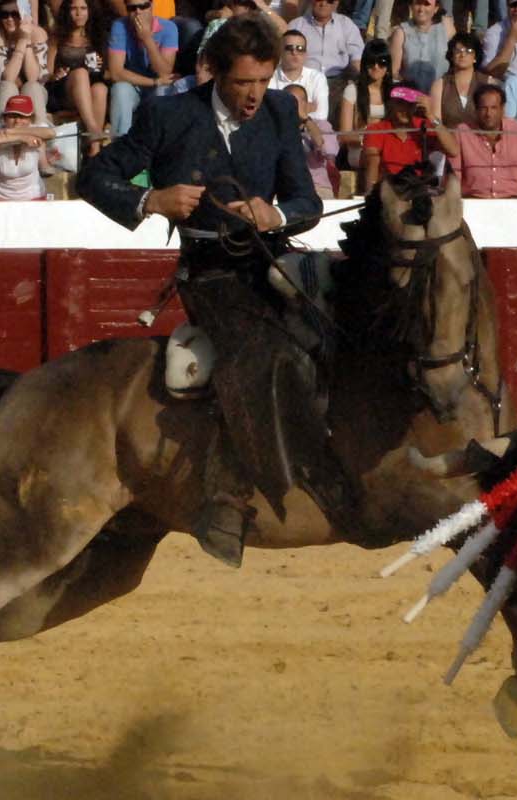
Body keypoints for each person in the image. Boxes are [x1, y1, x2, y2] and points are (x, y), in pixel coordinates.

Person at [79, 14, 350, 568]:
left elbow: (308, 201)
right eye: (242, 83)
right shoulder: (170, 115)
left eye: (263, 81)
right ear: (214, 74)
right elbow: (94, 176)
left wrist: (277, 214)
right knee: (256, 350)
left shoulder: (279, 111)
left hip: (273, 260)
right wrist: (149, 201)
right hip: (211, 271)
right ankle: (225, 494)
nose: (253, 95)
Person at [451, 82, 517, 196]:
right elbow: (454, 176)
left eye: (494, 108)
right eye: (483, 108)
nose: (488, 114)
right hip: (474, 203)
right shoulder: (462, 132)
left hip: (514, 204)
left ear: (503, 109)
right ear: (476, 110)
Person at [107, 0, 180, 137]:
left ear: (151, 6)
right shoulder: (119, 26)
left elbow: (164, 71)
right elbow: (116, 73)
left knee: (163, 91)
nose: (138, 11)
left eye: (143, 6)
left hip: (157, 86)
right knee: (120, 89)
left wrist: (147, 40)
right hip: (133, 84)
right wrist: (154, 82)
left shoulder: (169, 28)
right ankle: (121, 145)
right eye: (132, 8)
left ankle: (158, 145)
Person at [363, 84, 459, 186]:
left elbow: (453, 150)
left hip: (417, 188)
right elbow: (372, 162)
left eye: (410, 104)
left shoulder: (423, 126)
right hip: (389, 188)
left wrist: (431, 116)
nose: (405, 109)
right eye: (400, 103)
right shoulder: (377, 129)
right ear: (391, 104)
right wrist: (372, 196)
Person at [47, 0, 109, 156]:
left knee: (100, 89)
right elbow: (47, 72)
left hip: (91, 89)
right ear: (67, 12)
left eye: (83, 8)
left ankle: (94, 151)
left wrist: (101, 69)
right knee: (80, 73)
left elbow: (108, 72)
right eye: (73, 8)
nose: (78, 13)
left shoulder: (98, 37)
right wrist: (54, 75)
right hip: (64, 89)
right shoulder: (57, 37)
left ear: (89, 11)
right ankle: (93, 128)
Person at [0, 93, 54, 199]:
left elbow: (50, 133)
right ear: (4, 118)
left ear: (31, 118)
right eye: (12, 116)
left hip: (33, 196)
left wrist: (12, 131)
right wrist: (21, 138)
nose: (17, 121)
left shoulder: (36, 129)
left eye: (22, 117)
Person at [287, 0, 362, 105]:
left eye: (329, 0)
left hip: (338, 83)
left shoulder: (346, 25)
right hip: (305, 82)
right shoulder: (296, 25)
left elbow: (357, 60)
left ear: (336, 2)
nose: (323, 3)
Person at [0, 0, 50, 122]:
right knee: (8, 87)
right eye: (5, 15)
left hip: (34, 92)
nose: (10, 19)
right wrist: (22, 41)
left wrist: (26, 38)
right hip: (5, 93)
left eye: (15, 14)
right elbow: (7, 78)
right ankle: (3, 133)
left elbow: (34, 78)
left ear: (24, 15)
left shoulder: (38, 33)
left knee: (32, 87)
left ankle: (40, 128)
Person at [338, 38, 391, 172]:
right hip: (360, 148)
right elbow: (344, 135)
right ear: (364, 64)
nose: (376, 67)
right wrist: (370, 140)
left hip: (388, 146)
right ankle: (370, 192)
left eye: (382, 62)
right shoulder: (352, 91)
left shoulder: (394, 91)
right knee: (375, 157)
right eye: (371, 62)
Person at [284, 83, 337, 197]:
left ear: (307, 106)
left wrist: (307, 121)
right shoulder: (275, 128)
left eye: (295, 102)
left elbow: (329, 151)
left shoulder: (322, 125)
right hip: (284, 188)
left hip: (317, 187)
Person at [428, 32, 491, 129]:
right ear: (452, 56)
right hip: (448, 140)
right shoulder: (439, 85)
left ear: (475, 57)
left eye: (468, 51)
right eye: (458, 50)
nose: (462, 54)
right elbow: (436, 124)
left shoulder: (488, 83)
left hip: (479, 141)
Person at [391, 0, 454, 94]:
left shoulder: (446, 27)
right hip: (411, 96)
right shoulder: (400, 32)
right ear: (411, 6)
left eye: (426, 4)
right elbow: (394, 73)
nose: (421, 9)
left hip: (442, 95)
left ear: (436, 8)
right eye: (418, 3)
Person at [269, 29, 329, 120]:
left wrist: (283, 110)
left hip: (309, 131)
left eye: (300, 49)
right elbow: (268, 113)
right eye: (289, 48)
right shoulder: (269, 76)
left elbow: (322, 115)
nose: (295, 52)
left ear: (305, 54)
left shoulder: (317, 77)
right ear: (280, 52)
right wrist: (304, 109)